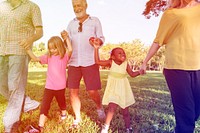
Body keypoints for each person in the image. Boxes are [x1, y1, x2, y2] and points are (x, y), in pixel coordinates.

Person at [140, 0, 200, 132]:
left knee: (195, 111)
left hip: (198, 67)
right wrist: (145, 62)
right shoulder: (170, 13)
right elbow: (158, 40)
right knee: (186, 113)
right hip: (176, 67)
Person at [61, 0, 105, 128]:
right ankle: (78, 118)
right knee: (73, 92)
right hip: (73, 62)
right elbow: (67, 44)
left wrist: (98, 41)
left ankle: (99, 107)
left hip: (90, 61)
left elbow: (102, 38)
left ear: (86, 5)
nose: (76, 8)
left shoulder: (95, 21)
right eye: (74, 6)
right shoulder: (71, 23)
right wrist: (65, 38)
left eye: (79, 5)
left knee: (92, 91)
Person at [0, 0, 43, 132]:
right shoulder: (1, 6)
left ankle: (10, 125)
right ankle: (28, 103)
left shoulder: (32, 7)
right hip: (2, 50)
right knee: (2, 85)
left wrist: (29, 40)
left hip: (20, 51)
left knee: (15, 87)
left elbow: (39, 32)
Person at [23, 36, 72, 133]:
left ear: (60, 46)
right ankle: (40, 126)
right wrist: (28, 50)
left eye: (54, 48)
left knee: (61, 102)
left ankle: (63, 113)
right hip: (49, 87)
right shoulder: (48, 57)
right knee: (45, 105)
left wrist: (66, 38)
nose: (52, 50)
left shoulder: (64, 56)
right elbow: (35, 59)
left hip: (60, 87)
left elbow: (70, 49)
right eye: (50, 48)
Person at [93, 45, 140, 133]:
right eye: (119, 53)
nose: (123, 54)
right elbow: (97, 61)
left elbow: (132, 74)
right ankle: (106, 127)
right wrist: (96, 49)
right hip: (113, 89)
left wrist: (140, 72)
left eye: (123, 53)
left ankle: (128, 128)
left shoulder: (126, 64)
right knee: (112, 108)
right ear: (113, 57)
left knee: (125, 111)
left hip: (123, 89)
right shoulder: (111, 62)